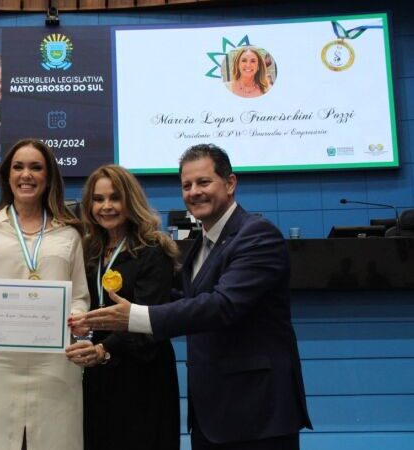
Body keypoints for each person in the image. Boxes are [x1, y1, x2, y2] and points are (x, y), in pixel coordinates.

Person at [75, 144, 312, 450]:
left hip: (256, 411)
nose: (194, 192)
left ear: (230, 183)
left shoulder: (257, 235)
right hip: (213, 413)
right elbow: (183, 299)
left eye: (203, 182)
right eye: (187, 185)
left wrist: (135, 316)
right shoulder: (202, 243)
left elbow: (223, 305)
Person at [0, 138, 90, 450]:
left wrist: (79, 317)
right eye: (18, 167)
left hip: (54, 367)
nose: (26, 174)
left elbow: (80, 296)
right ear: (7, 175)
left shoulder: (69, 233)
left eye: (36, 167)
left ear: (48, 177)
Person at [65, 165, 181, 450]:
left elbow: (149, 319)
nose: (106, 207)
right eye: (98, 199)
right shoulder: (88, 251)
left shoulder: (154, 249)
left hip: (142, 375)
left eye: (114, 198)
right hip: (96, 375)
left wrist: (104, 350)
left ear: (130, 200)